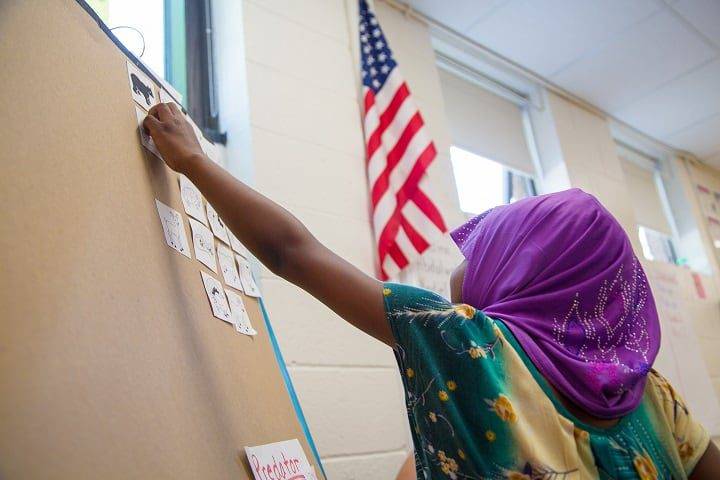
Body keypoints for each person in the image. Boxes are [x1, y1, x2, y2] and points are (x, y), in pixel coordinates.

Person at [142, 103, 720, 479]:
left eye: (491, 250)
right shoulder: (651, 394)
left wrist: (192, 159)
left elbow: (292, 253)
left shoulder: (469, 345)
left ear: (527, 279)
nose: (469, 258)